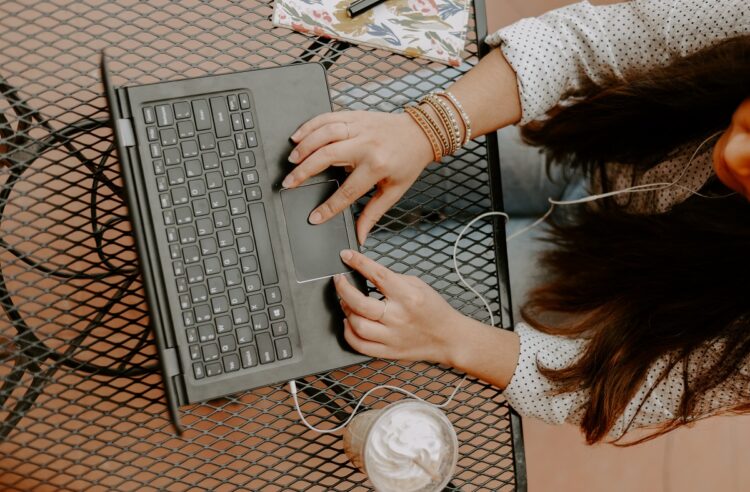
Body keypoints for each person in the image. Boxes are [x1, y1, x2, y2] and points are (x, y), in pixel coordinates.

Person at [283, 0, 750, 444]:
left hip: (605, 275)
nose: (736, 155)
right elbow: (581, 43)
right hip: (592, 132)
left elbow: (636, 391)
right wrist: (425, 129)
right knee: (301, 157)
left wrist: (451, 337)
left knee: (301, 297)